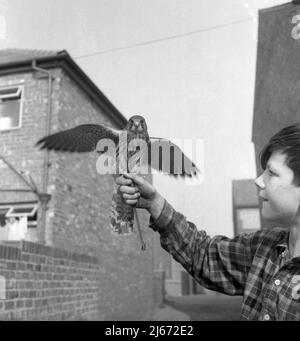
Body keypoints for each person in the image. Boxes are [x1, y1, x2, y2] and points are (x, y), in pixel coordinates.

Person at [116, 124, 300, 321]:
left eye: (272, 173)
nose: (258, 181)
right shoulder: (265, 246)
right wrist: (155, 203)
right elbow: (202, 254)